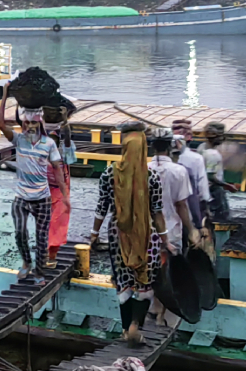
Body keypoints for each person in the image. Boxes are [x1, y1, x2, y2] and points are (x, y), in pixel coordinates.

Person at [90, 122, 170, 345]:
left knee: (123, 280)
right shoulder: (152, 177)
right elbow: (157, 212)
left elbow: (101, 208)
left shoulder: (109, 174)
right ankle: (137, 325)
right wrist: (166, 240)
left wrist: (93, 234)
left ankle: (126, 330)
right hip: (148, 235)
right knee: (145, 281)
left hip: (119, 233)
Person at [0, 84, 70, 285]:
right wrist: (4, 96)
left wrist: (64, 196)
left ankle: (39, 273)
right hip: (21, 197)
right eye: (26, 123)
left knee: (42, 238)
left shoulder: (49, 144)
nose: (29, 126)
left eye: (33, 123)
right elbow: (1, 124)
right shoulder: (19, 140)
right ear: (23, 124)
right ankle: (26, 262)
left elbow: (57, 169)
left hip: (42, 198)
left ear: (39, 124)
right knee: (20, 231)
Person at [147, 128, 201, 252]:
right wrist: (191, 230)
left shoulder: (144, 169)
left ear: (152, 146)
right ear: (170, 146)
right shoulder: (179, 171)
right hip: (172, 233)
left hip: (146, 233)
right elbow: (181, 205)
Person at [171, 119, 212, 251]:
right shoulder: (196, 159)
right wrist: (202, 218)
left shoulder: (158, 162)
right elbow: (202, 190)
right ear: (189, 138)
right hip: (188, 209)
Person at [46, 109, 76, 268]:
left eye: (54, 141)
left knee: (57, 224)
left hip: (62, 193)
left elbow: (68, 139)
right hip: (46, 192)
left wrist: (64, 120)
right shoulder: (42, 153)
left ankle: (52, 256)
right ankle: (45, 254)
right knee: (45, 224)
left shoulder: (64, 154)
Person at [198, 122, 238, 222]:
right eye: (221, 135)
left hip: (202, 191)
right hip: (214, 191)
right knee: (220, 220)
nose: (223, 139)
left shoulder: (201, 147)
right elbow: (210, 176)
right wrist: (227, 185)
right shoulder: (212, 154)